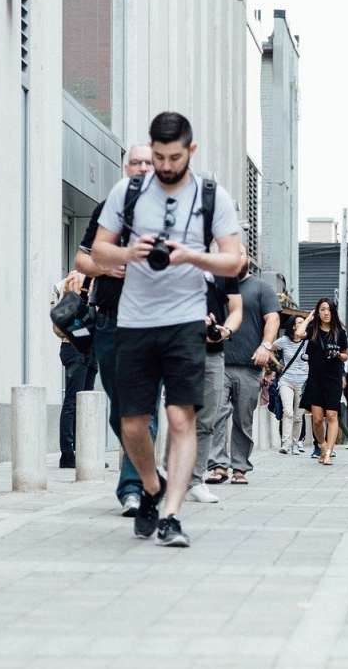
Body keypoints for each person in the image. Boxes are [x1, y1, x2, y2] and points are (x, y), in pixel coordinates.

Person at [91, 111, 242, 546]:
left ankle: (172, 515)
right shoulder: (129, 191)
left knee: (181, 418)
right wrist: (128, 253)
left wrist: (192, 256)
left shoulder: (213, 196)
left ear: (190, 151)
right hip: (135, 320)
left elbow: (234, 260)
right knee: (132, 423)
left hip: (185, 319)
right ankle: (152, 489)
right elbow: (97, 251)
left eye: (174, 157)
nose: (165, 165)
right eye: (158, 156)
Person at [75, 144, 157, 516]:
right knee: (120, 408)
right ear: (126, 168)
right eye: (136, 162)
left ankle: (132, 488)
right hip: (109, 319)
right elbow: (81, 259)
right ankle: (144, 467)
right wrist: (105, 268)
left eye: (148, 163)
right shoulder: (108, 210)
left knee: (144, 407)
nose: (141, 168)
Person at [206, 250, 281, 485]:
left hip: (249, 365)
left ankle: (240, 467)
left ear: (247, 258)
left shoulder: (261, 288)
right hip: (217, 360)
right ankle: (218, 466)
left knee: (243, 418)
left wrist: (266, 346)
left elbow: (273, 319)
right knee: (216, 414)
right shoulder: (215, 285)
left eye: (238, 254)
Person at [183, 265, 242, 503]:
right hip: (180, 349)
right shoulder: (174, 262)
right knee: (180, 416)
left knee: (207, 419)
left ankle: (196, 481)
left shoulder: (224, 270)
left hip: (213, 353)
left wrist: (225, 329)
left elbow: (236, 309)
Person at [50, 270, 99, 469]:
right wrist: (82, 334)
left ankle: (85, 452)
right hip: (74, 347)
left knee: (87, 403)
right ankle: (67, 453)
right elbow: (61, 323)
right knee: (73, 401)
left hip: (90, 349)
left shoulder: (98, 284)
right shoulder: (69, 283)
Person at [301, 298, 348, 465]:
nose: (326, 312)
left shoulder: (339, 332)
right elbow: (299, 334)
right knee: (317, 419)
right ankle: (322, 445)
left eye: (329, 309)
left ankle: (329, 452)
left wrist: (337, 354)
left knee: (332, 415)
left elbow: (345, 355)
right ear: (318, 312)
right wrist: (309, 318)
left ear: (333, 312)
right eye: (322, 309)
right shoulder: (312, 330)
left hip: (333, 378)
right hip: (315, 379)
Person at [273, 314, 311, 455]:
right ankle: (286, 444)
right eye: (300, 322)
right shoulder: (284, 340)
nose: (303, 325)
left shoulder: (308, 342)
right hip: (286, 381)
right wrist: (278, 364)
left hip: (303, 382)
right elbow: (269, 348)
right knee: (287, 412)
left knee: (298, 416)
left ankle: (296, 443)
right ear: (294, 326)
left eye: (304, 322)